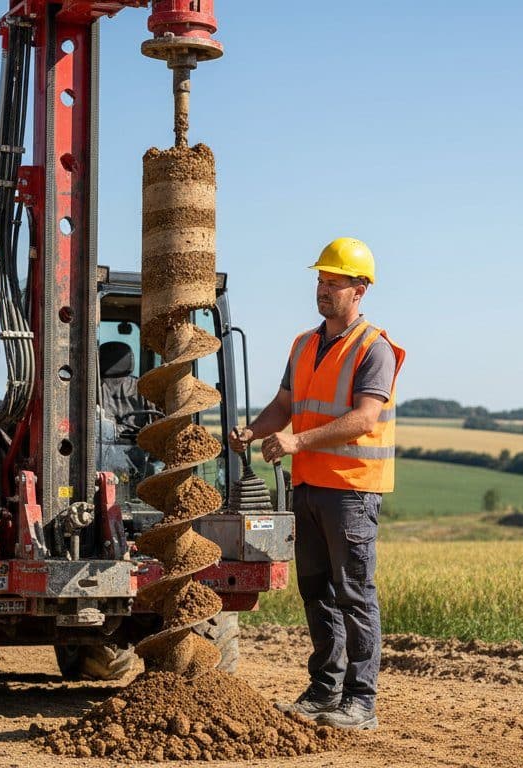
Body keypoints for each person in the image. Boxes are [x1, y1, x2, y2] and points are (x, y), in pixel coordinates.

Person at [230, 237, 405, 730]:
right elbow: (284, 405)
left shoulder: (374, 348)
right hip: (307, 486)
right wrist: (253, 431)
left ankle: (361, 701)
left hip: (351, 490)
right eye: (321, 281)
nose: (323, 290)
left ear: (360, 289)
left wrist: (297, 441)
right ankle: (325, 689)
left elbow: (364, 417)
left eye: (334, 283)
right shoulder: (304, 344)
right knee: (316, 592)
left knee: (354, 594)